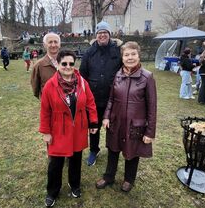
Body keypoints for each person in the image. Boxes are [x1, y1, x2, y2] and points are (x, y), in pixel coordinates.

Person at [95, 41, 157, 192]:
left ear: (139, 55)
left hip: (135, 124)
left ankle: (129, 179)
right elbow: (111, 99)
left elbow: (152, 107)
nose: (130, 58)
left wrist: (150, 132)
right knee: (113, 149)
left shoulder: (147, 77)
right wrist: (106, 116)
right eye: (126, 55)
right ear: (122, 57)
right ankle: (109, 177)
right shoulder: (118, 75)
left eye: (133, 54)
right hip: (116, 122)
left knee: (132, 152)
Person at [39, 50, 98, 207]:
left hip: (78, 129)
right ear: (57, 64)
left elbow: (91, 103)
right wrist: (45, 132)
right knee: (55, 164)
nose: (68, 66)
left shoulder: (82, 83)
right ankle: (52, 191)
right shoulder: (50, 86)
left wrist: (93, 123)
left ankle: (75, 185)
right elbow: (45, 111)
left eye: (71, 63)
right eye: (64, 63)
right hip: (58, 130)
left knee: (76, 160)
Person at [80, 21, 122, 166]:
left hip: (114, 98)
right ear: (96, 35)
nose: (102, 35)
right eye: (99, 33)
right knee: (94, 126)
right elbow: (82, 75)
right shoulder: (89, 52)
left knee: (113, 126)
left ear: (109, 34)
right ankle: (94, 150)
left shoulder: (118, 51)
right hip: (94, 99)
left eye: (105, 32)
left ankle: (112, 149)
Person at [31, 32, 61, 99]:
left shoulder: (67, 63)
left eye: (56, 42)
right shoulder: (39, 65)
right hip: (48, 105)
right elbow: (35, 88)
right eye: (50, 42)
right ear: (44, 45)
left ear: (59, 45)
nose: (53, 45)